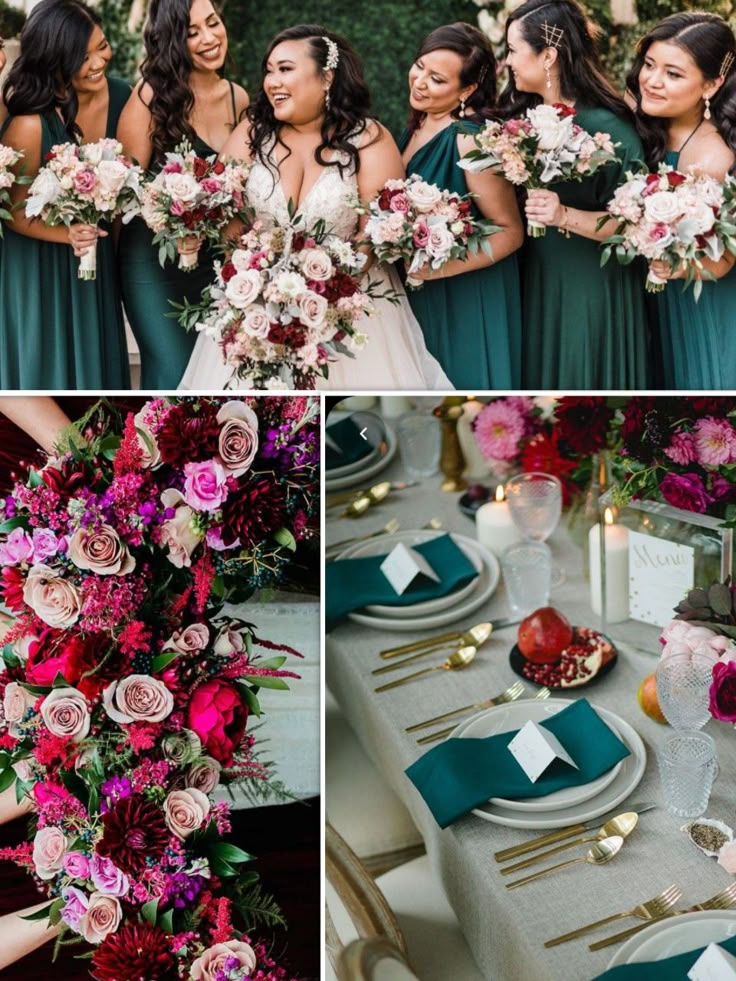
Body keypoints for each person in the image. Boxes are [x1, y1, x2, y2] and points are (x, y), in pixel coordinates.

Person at [179, 24, 451, 390]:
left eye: (285, 69)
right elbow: (224, 209)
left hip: (350, 310)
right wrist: (256, 278)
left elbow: (374, 232)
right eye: (270, 70)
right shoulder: (251, 132)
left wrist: (321, 293)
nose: (272, 81)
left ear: (326, 77)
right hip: (255, 308)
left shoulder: (369, 138)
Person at [500, 0, 649, 389]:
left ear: (547, 54)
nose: (508, 62)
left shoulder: (606, 128)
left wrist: (563, 215)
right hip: (537, 278)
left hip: (590, 286)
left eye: (513, 50)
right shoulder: (521, 120)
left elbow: (636, 227)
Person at [117, 0, 249, 388]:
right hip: (153, 266)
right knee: (174, 372)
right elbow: (127, 192)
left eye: (213, 23)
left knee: (218, 374)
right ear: (174, 41)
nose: (210, 38)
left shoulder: (236, 98)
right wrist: (173, 214)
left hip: (215, 263)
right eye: (193, 32)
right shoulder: (149, 98)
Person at [0, 0, 130, 389]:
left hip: (77, 261)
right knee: (48, 365)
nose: (96, 63)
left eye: (100, 48)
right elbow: (13, 210)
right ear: (54, 58)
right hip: (40, 270)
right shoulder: (29, 123)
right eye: (81, 56)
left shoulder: (62, 109)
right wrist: (68, 233)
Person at [398, 23, 523, 389]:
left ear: (467, 90)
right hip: (424, 283)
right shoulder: (417, 125)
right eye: (419, 67)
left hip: (466, 290)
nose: (419, 82)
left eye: (436, 79)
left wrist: (437, 270)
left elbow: (511, 232)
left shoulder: (471, 141)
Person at [628, 12, 736, 389]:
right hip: (663, 306)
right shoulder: (647, 131)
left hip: (703, 309)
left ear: (712, 84)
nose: (652, 81)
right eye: (650, 65)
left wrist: (669, 265)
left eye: (673, 74)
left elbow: (721, 262)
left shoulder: (710, 158)